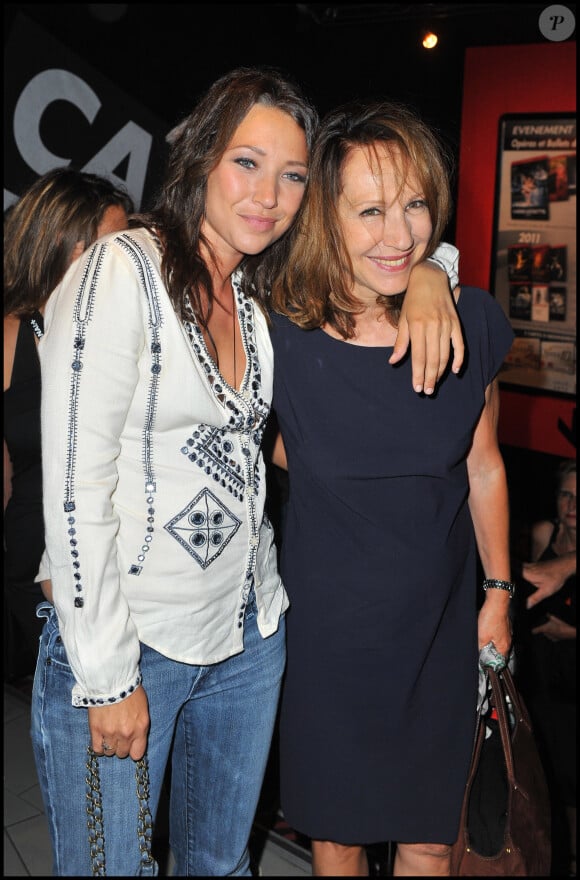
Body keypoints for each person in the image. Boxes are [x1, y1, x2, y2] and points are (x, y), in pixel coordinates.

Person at [34, 67, 463, 876]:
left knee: (221, 867)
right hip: (135, 645)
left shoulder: (261, 289)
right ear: (199, 157)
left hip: (248, 639)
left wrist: (436, 269)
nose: (270, 193)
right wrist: (105, 673)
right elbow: (72, 486)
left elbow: (385, 239)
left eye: (293, 175)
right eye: (247, 162)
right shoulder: (121, 271)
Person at [267, 98, 515, 877]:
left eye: (414, 206)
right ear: (324, 217)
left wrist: (501, 593)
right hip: (325, 641)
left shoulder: (471, 322)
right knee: (337, 837)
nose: (398, 233)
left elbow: (484, 465)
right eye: (369, 210)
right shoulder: (284, 335)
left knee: (431, 840)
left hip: (440, 634)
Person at [3, 168, 132, 683]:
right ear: (60, 246)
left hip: (125, 570)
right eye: (110, 249)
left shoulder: (139, 334)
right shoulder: (11, 335)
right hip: (39, 572)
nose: (127, 265)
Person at [517, 459, 576, 877]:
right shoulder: (543, 534)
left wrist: (570, 633)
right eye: (565, 494)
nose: (571, 504)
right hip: (542, 676)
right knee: (542, 779)